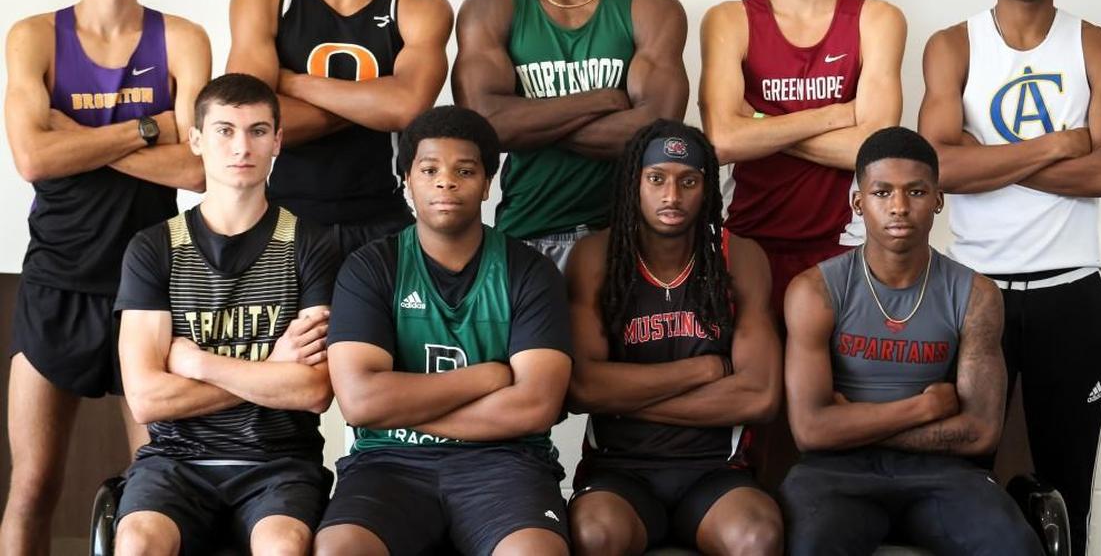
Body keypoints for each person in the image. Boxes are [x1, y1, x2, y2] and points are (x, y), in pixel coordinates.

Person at [918, 0, 1101, 556]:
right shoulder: (954, 45)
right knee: (963, 484)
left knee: (1068, 487)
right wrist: (1053, 144)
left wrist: (991, 157)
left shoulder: (1096, 45)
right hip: (977, 293)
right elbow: (939, 169)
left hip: (1072, 291)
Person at [1, 0, 210, 554]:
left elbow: (198, 168)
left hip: (148, 286)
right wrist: (148, 128)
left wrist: (79, 139)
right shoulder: (34, 37)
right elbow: (32, 158)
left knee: (157, 487)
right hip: (56, 279)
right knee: (32, 485)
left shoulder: (180, 38)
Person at [315, 106, 573, 556]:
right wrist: (487, 377)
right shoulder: (372, 267)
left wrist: (397, 410)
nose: (445, 182)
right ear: (407, 181)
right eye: (429, 169)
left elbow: (535, 406)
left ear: (487, 183)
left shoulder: (529, 271)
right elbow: (359, 402)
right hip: (389, 462)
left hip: (505, 463)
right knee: (339, 549)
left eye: (464, 170)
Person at [779, 126, 1042, 555]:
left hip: (943, 474)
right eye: (882, 193)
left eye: (916, 192)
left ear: (938, 199)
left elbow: (979, 433)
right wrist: (923, 408)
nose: (899, 207)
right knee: (810, 545)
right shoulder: (816, 290)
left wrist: (854, 425)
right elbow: (811, 431)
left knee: (1013, 545)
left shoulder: (975, 294)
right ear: (858, 203)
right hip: (836, 475)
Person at [113, 73, 337, 555]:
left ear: (277, 141)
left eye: (258, 130)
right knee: (135, 543)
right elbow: (147, 400)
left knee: (284, 546)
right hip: (175, 460)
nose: (242, 147)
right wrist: (271, 370)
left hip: (279, 462)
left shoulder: (310, 243)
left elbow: (314, 390)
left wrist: (198, 364)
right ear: (196, 139)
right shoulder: (154, 248)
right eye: (224, 130)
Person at [453, 0, 687, 270]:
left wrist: (525, 118)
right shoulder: (491, 8)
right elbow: (485, 129)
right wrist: (601, 100)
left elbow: (653, 135)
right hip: (525, 233)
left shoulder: (650, 8)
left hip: (623, 238)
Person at [227, 0, 451, 257]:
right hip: (281, 220)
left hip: (383, 218)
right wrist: (374, 99)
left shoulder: (418, 5)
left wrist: (290, 83)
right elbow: (250, 124)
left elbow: (406, 108)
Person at [700, 0, 905, 319]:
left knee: (836, 387)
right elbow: (723, 141)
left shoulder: (877, 19)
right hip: (748, 238)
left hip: (845, 241)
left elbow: (872, 151)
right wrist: (836, 114)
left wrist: (761, 124)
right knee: (756, 386)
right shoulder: (729, 19)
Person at [565, 120, 784, 555]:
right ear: (634, 184)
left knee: (757, 538)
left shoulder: (738, 256)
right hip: (618, 468)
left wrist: (628, 400)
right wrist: (702, 370)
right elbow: (583, 387)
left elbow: (760, 397)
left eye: (688, 181)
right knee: (595, 535)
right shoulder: (595, 258)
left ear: (707, 189)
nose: (671, 196)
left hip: (714, 469)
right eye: (656, 179)